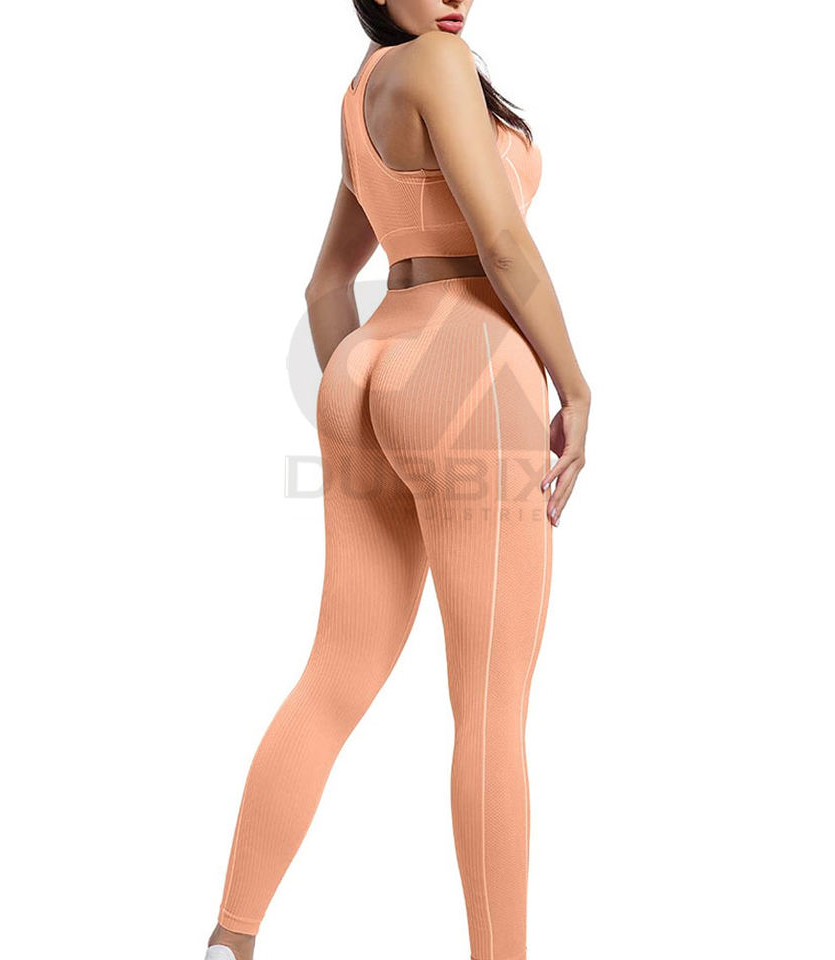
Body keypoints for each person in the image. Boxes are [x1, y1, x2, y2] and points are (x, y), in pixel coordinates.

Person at [206, 3, 590, 959]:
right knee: (491, 704)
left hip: (366, 361)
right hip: (469, 361)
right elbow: (502, 246)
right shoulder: (436, 63)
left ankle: (229, 940)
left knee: (334, 674)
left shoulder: (361, 94)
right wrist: (576, 386)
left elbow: (326, 284)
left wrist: (369, 419)